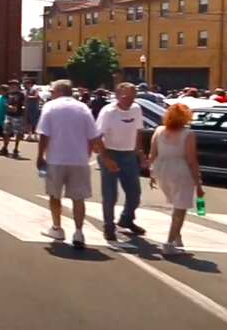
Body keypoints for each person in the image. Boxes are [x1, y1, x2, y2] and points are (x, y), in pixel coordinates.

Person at [36, 80, 108, 250]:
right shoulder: (83, 108)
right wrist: (90, 153)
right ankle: (78, 231)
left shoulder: (50, 107)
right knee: (78, 198)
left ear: (58, 92)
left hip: (56, 158)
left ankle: (57, 227)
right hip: (79, 159)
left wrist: (40, 156)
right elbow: (93, 136)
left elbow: (44, 134)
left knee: (54, 195)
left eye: (53, 90)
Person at [95, 82, 147, 248]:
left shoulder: (136, 109)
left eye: (132, 96)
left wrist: (139, 152)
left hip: (129, 155)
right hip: (111, 153)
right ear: (117, 96)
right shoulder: (109, 112)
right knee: (110, 194)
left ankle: (126, 219)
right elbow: (97, 136)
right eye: (126, 96)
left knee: (134, 193)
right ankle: (108, 226)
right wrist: (105, 157)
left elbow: (139, 130)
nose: (129, 100)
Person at [148, 102, 204, 256]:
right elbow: (192, 159)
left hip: (161, 170)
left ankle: (177, 238)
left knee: (176, 205)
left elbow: (152, 155)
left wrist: (152, 174)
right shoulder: (187, 134)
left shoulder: (158, 131)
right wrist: (198, 183)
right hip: (180, 171)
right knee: (180, 208)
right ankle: (169, 242)